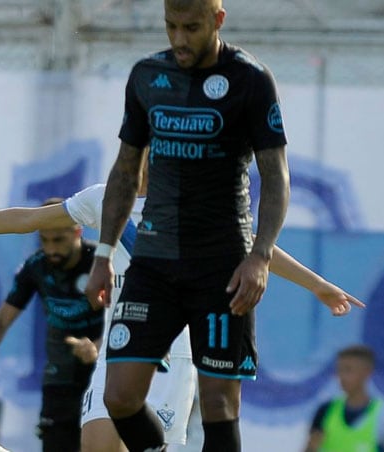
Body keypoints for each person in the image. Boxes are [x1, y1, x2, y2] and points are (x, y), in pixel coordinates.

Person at [0, 158, 364, 452]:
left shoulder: (197, 208)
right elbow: (30, 219)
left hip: (173, 352)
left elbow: (261, 250)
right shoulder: (107, 199)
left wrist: (319, 285)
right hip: (121, 346)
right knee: (96, 444)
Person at [84, 1, 292, 450]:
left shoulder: (251, 79)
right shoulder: (147, 76)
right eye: (171, 27)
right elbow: (124, 172)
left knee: (218, 406)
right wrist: (103, 254)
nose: (179, 39)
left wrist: (260, 257)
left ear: (218, 20)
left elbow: (276, 177)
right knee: (119, 396)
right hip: (155, 264)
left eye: (191, 28)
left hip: (221, 265)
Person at [0, 198, 103, 452]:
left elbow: (126, 318)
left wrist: (98, 346)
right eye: (45, 240)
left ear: (78, 231)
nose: (51, 249)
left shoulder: (101, 264)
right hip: (59, 377)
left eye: (59, 240)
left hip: (102, 375)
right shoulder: (36, 266)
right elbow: (1, 319)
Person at [304, 345, 384, 452]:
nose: (341, 376)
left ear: (367, 372)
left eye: (348, 370)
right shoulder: (325, 411)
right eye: (339, 370)